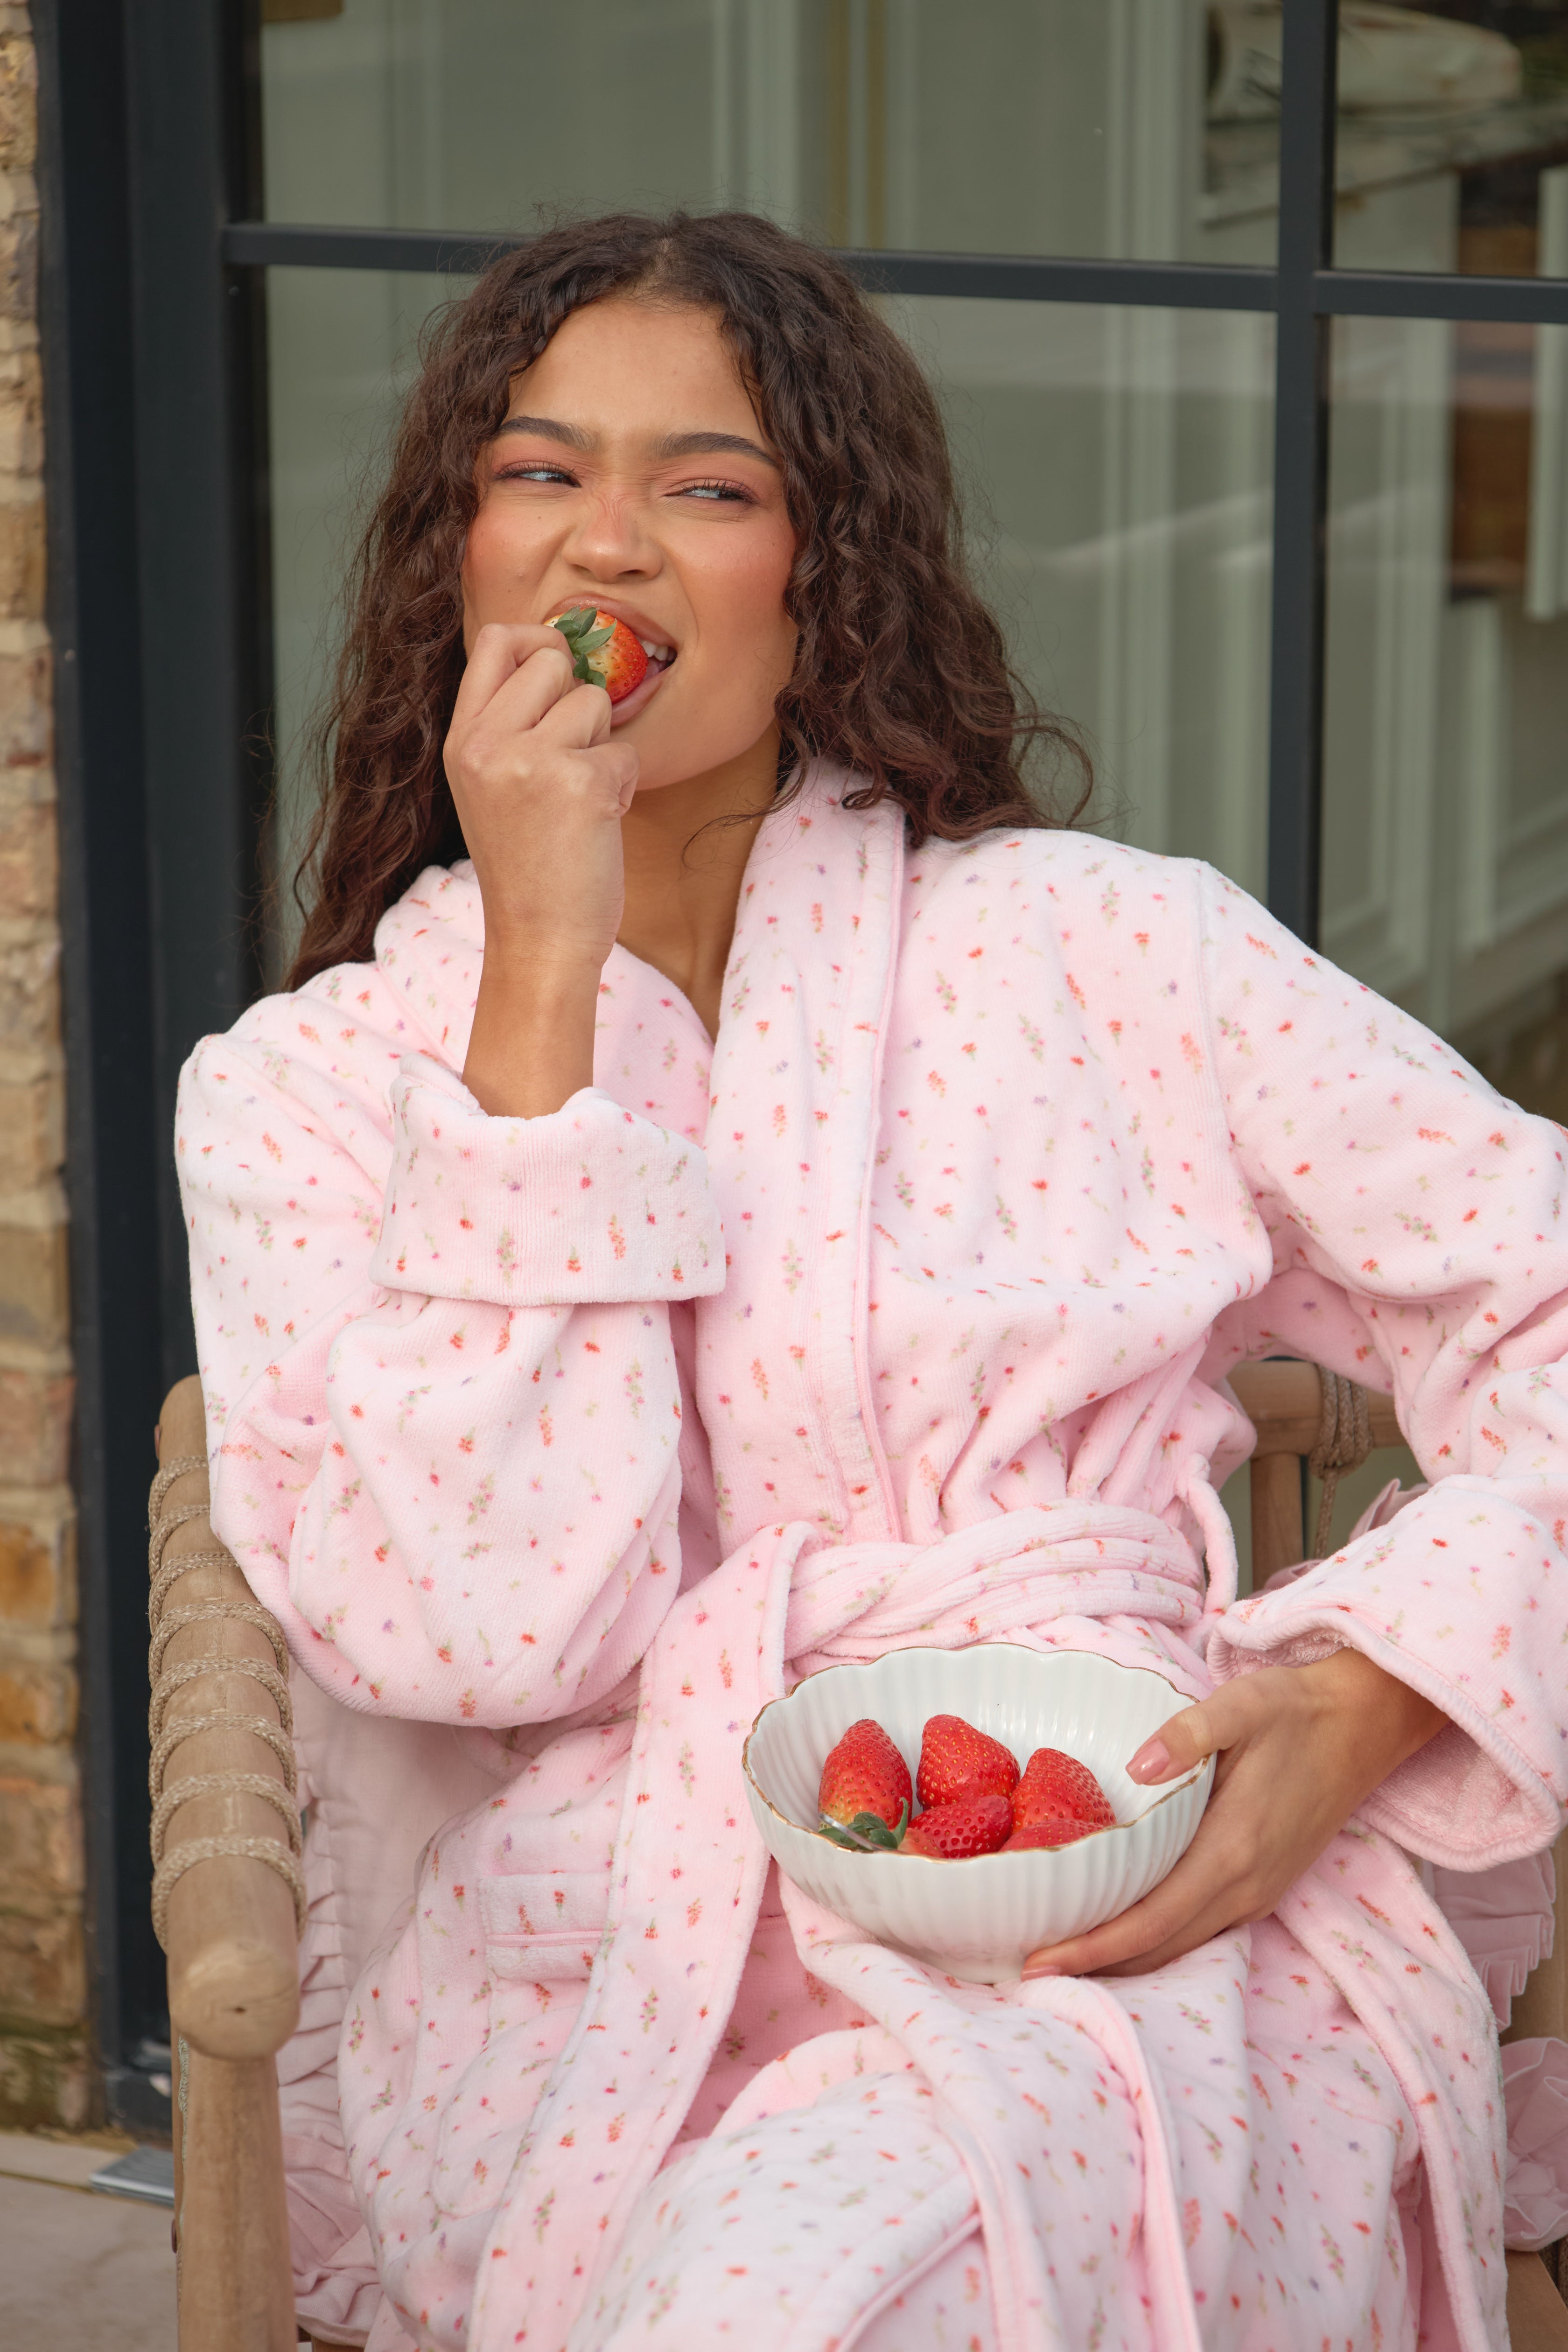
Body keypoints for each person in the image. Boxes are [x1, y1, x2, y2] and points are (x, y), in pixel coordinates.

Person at [177, 210, 1568, 2352]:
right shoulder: (309, 1097)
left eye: (708, 487)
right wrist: (540, 989)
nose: (607, 546)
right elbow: (474, 1636)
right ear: (458, 561)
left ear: (826, 576)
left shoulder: (1116, 951)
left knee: (822, 2290)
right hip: (610, 1975)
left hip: (1121, 1913)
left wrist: (1371, 1691)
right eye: (540, 474)